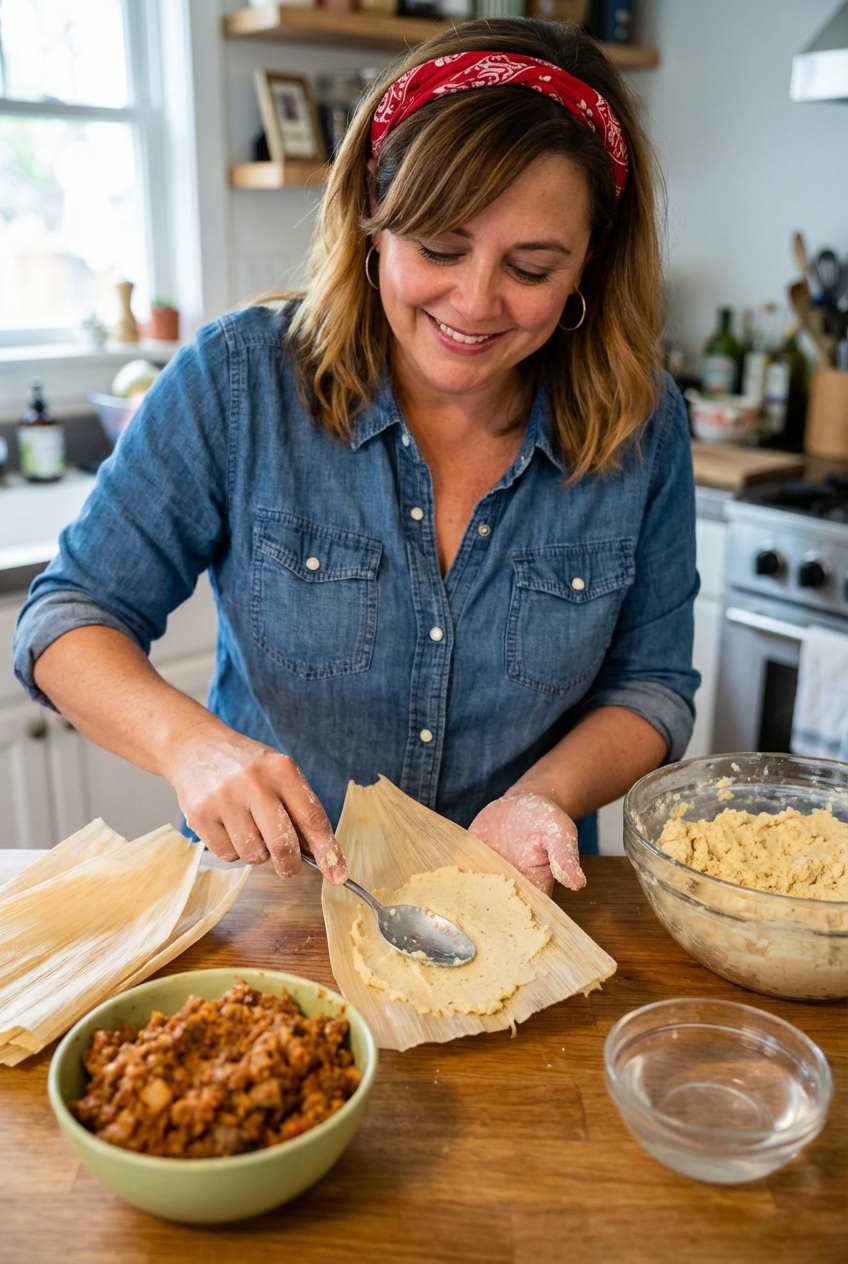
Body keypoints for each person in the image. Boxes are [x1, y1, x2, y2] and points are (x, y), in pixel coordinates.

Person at [13, 18, 699, 898]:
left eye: (531, 268)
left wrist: (543, 796)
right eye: (440, 248)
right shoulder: (239, 382)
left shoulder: (643, 422)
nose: (475, 301)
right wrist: (193, 746)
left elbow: (652, 688)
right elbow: (65, 618)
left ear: (588, 265)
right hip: (268, 904)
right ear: (374, 215)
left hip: (514, 907)